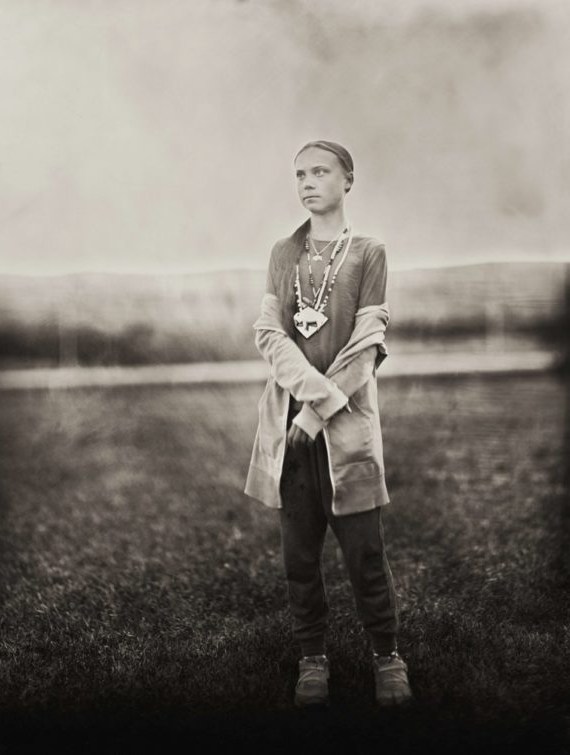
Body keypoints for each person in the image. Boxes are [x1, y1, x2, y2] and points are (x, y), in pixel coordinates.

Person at [244, 140, 413, 708]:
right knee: (299, 555)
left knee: (365, 552)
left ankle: (387, 658)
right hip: (290, 430)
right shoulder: (282, 253)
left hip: (347, 428)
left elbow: (367, 347)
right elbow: (270, 336)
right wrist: (306, 403)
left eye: (320, 172)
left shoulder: (369, 252)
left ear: (348, 180)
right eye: (299, 174)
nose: (308, 182)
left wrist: (322, 411)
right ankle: (311, 660)